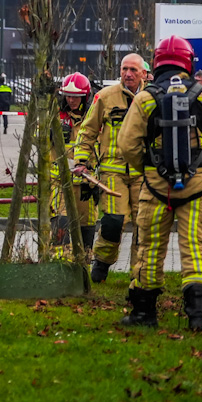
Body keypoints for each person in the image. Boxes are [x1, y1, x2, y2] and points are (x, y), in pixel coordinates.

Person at [115, 37, 202, 331]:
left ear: (156, 63)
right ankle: (197, 316)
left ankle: (144, 314)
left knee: (149, 248)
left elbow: (127, 145)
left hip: (155, 189)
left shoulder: (145, 99)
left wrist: (150, 167)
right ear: (188, 62)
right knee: (194, 247)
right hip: (199, 190)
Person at [72, 53, 149, 284]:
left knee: (144, 226)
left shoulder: (152, 98)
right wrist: (81, 160)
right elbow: (87, 131)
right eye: (124, 69)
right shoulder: (105, 97)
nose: (128, 74)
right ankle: (102, 262)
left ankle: (139, 274)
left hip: (144, 174)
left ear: (144, 73)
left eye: (133, 70)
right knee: (113, 222)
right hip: (112, 173)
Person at [55, 72, 94, 254]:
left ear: (85, 97)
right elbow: (36, 137)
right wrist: (50, 132)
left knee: (87, 223)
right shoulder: (55, 115)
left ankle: (84, 261)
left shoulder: (93, 118)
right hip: (59, 180)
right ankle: (60, 261)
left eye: (76, 97)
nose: (71, 100)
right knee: (61, 219)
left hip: (86, 183)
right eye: (68, 96)